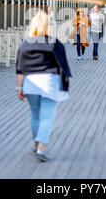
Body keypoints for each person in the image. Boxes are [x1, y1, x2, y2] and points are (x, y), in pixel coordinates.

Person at [16, 12, 72, 162]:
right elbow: (63, 66)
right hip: (49, 83)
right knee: (47, 117)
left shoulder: (25, 44)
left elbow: (20, 70)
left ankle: (36, 144)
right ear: (48, 26)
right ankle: (41, 149)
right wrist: (63, 85)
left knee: (35, 115)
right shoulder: (55, 43)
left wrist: (19, 88)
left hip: (30, 84)